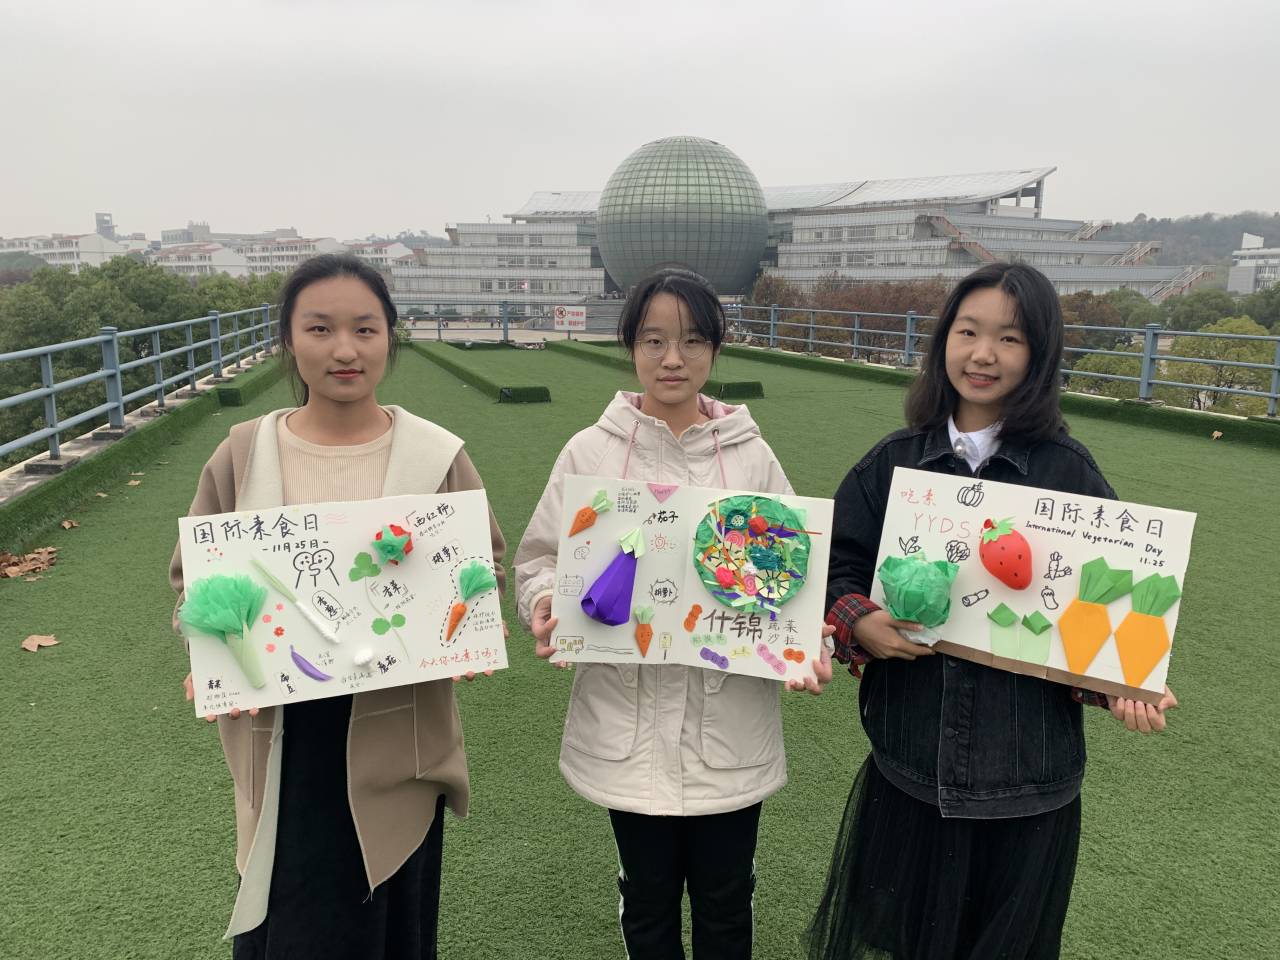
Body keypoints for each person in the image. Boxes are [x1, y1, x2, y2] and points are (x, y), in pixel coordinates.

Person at [807, 262, 1178, 960]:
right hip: (911, 763)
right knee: (908, 943)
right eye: (968, 332)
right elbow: (833, 563)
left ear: (1039, 353)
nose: (983, 354)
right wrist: (860, 622)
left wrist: (1125, 682)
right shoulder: (893, 463)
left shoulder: (1069, 473)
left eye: (1009, 338)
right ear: (943, 339)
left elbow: (1108, 595)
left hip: (1028, 782)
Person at [168, 254, 506, 959]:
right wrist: (210, 653)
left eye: (365, 329)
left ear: (390, 337)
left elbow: (482, 565)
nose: (344, 349)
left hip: (398, 734)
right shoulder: (243, 452)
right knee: (290, 916)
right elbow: (194, 583)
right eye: (320, 328)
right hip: (284, 734)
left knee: (385, 918)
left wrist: (470, 622)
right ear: (288, 339)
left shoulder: (437, 455)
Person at [514, 267, 834, 959]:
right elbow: (539, 560)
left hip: (731, 729)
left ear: (715, 348)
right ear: (630, 345)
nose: (672, 359)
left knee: (727, 899)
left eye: (691, 341)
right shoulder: (590, 451)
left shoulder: (751, 455)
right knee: (648, 898)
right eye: (653, 340)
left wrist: (811, 645)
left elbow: (794, 577)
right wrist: (544, 603)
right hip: (623, 726)